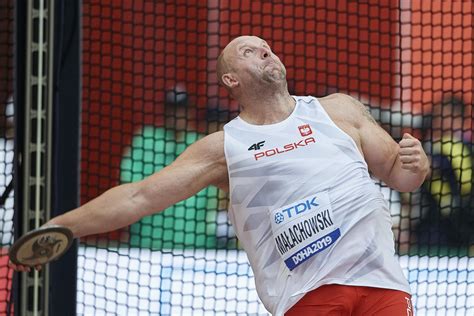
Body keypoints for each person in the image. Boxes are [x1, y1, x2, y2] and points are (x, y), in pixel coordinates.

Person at [11, 35, 429, 315]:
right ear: (230, 79)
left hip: (382, 283)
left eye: (266, 48)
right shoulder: (224, 146)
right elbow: (140, 197)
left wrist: (416, 164)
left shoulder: (338, 110)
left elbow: (400, 175)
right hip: (309, 295)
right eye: (249, 51)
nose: (265, 51)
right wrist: (63, 225)